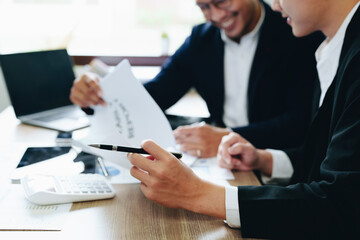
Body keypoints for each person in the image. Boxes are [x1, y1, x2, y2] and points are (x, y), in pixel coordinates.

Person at [127, 0, 360, 238]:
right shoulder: (334, 45)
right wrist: (264, 159)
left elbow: (340, 204)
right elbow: (326, 155)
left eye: (220, 2)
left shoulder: (304, 35)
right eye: (204, 7)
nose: (275, 6)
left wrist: (196, 193)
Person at [70, 0, 322, 158]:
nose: (215, 15)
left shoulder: (296, 31)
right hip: (220, 160)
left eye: (221, 2)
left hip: (280, 162)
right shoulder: (201, 40)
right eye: (203, 6)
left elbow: (301, 122)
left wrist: (227, 135)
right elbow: (155, 95)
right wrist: (97, 94)